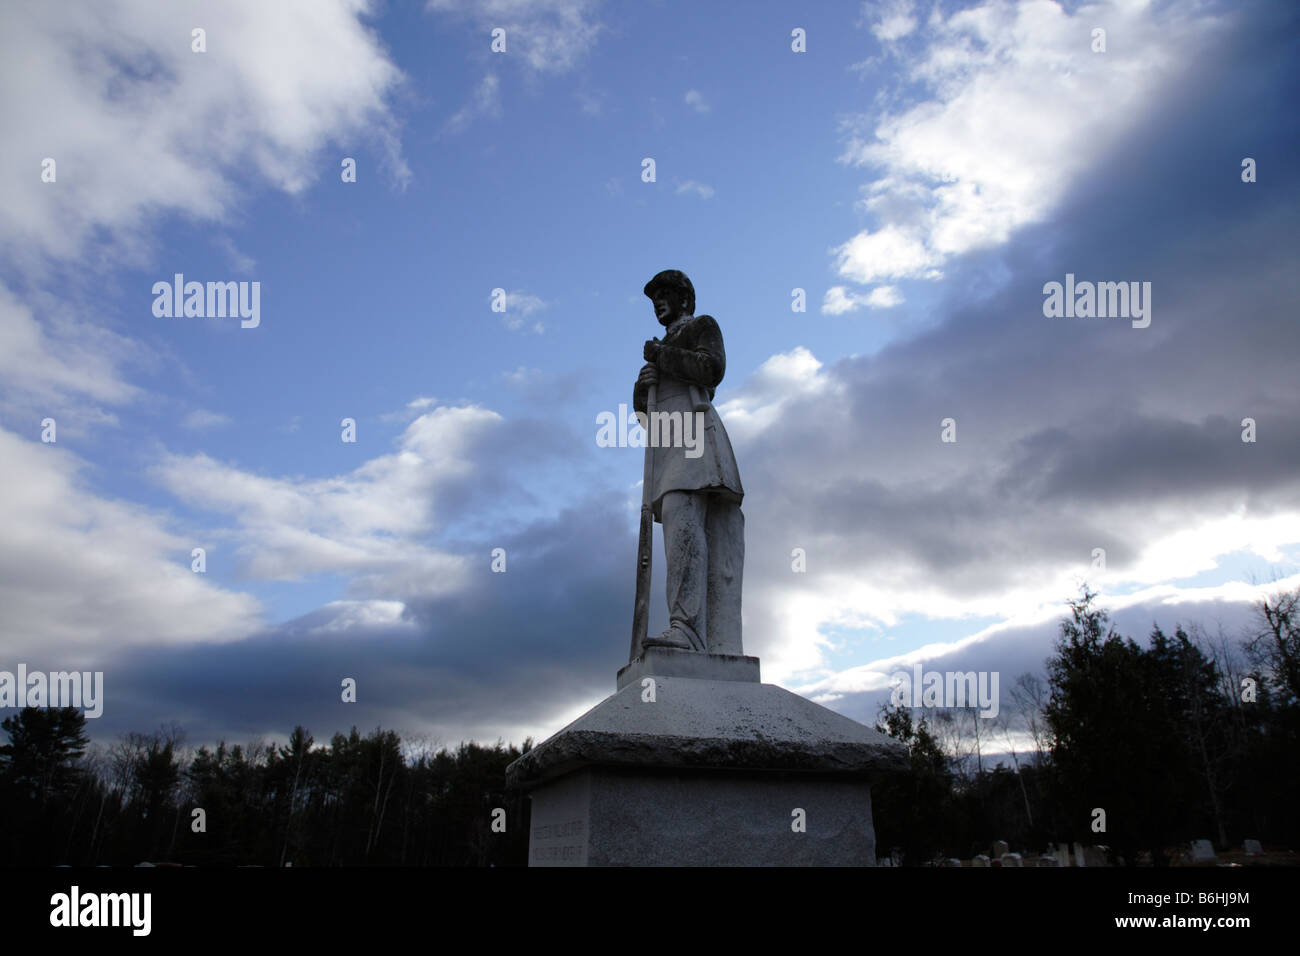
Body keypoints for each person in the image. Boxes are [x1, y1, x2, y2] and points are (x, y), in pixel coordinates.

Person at [634, 270, 745, 655]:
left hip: (696, 435)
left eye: (665, 294)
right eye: (653, 298)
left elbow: (712, 369)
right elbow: (647, 417)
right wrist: (642, 386)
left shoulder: (701, 326)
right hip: (668, 441)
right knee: (677, 524)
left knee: (684, 513)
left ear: (684, 298)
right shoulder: (662, 347)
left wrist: (661, 357)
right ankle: (686, 626)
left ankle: (687, 627)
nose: (658, 303)